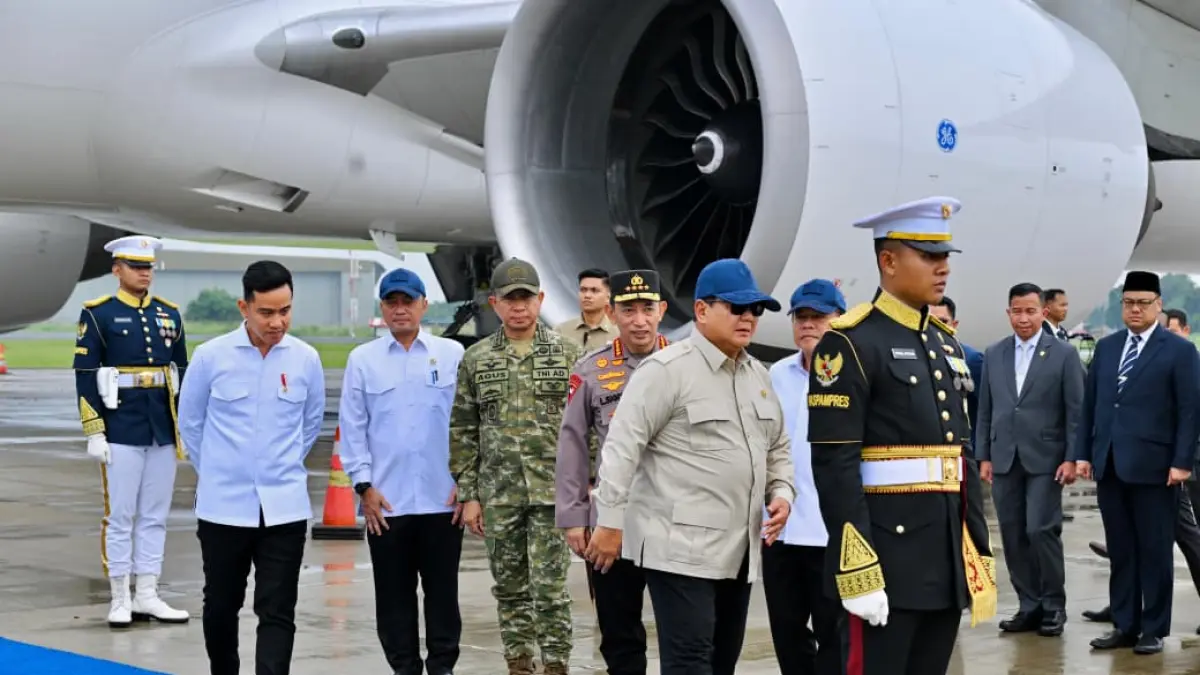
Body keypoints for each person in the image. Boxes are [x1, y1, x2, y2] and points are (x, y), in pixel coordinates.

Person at [807, 196, 996, 675]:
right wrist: (858, 569)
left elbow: (961, 458)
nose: (943, 268)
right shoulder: (849, 342)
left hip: (943, 563)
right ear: (888, 261)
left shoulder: (945, 344)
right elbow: (835, 466)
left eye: (945, 256)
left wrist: (975, 551)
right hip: (886, 562)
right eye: (929, 256)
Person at [588, 258, 796, 675]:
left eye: (756, 309)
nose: (748, 317)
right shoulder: (667, 371)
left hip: (738, 550)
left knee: (722, 662)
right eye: (736, 308)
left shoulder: (758, 376)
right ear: (702, 310)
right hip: (679, 548)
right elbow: (622, 448)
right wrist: (609, 522)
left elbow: (778, 447)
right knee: (690, 662)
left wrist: (782, 492)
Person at [177, 261, 327, 675]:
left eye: (286, 310)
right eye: (267, 312)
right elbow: (191, 424)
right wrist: (221, 472)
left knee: (278, 610)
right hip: (223, 508)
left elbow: (310, 425)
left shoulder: (306, 359)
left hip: (284, 508)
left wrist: (279, 466)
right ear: (244, 307)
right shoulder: (211, 357)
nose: (278, 322)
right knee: (221, 606)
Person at [448, 258, 582, 675]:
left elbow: (585, 429)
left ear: (540, 300)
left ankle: (556, 665)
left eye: (526, 298)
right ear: (495, 304)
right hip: (500, 496)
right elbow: (463, 428)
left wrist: (584, 491)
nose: (519, 306)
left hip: (552, 494)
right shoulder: (476, 359)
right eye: (510, 299)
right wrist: (469, 494)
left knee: (550, 590)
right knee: (509, 589)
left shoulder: (568, 354)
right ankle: (518, 664)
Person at [339, 267, 466, 675]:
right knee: (393, 598)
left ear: (424, 305)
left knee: (443, 594)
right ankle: (404, 668)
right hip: (386, 503)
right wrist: (363, 486)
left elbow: (468, 424)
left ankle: (442, 667)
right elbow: (353, 428)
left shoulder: (452, 355)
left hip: (442, 499)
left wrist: (467, 482)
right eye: (391, 302)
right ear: (382, 308)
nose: (399, 310)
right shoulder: (363, 360)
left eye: (407, 302)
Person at [1074, 271, 1200, 655]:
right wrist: (1083, 453)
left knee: (1155, 550)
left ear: (1158, 305)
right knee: (1122, 550)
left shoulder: (1178, 351)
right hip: (1111, 464)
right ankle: (1125, 625)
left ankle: (1153, 629)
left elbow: (1189, 411)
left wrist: (1182, 461)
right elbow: (1091, 405)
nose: (1135, 310)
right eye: (1129, 302)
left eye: (1143, 303)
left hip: (1157, 468)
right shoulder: (1108, 347)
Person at [554, 269, 670, 675]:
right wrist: (574, 517)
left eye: (647, 309)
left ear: (662, 311)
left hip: (674, 519)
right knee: (619, 633)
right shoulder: (590, 369)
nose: (639, 320)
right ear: (612, 312)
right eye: (628, 310)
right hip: (612, 522)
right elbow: (572, 443)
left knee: (682, 629)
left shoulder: (686, 363)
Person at [72, 235, 191, 628]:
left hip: (161, 426)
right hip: (120, 425)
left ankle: (148, 594)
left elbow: (181, 373)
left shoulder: (169, 314)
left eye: (148, 266)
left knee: (155, 516)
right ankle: (120, 596)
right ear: (116, 270)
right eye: (136, 266)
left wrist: (185, 427)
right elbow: (85, 374)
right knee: (120, 515)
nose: (144, 273)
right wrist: (94, 431)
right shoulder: (99, 314)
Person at [975, 282, 1085, 637]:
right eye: (1017, 312)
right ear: (1008, 313)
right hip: (1004, 457)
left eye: (1030, 311)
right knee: (1012, 533)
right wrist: (983, 455)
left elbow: (1075, 411)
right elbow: (985, 410)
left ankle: (1054, 605)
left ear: (1043, 312)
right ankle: (1029, 604)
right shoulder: (995, 353)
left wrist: (1072, 457)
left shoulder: (1063, 354)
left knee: (1040, 529)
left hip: (1047, 459)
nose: (1023, 319)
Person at [763, 278, 847, 675]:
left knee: (834, 632)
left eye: (818, 317)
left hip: (828, 530)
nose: (808, 324)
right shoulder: (776, 374)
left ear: (839, 320)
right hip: (779, 529)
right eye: (801, 317)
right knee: (787, 630)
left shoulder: (855, 374)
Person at [928, 297, 983, 446]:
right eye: (929, 321)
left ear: (954, 324)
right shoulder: (914, 356)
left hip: (962, 447)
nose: (935, 328)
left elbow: (985, 411)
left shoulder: (970, 358)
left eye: (943, 321)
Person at [554, 268, 618, 350]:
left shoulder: (619, 334)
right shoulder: (561, 331)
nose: (587, 295)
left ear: (608, 297)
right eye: (583, 290)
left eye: (594, 290)